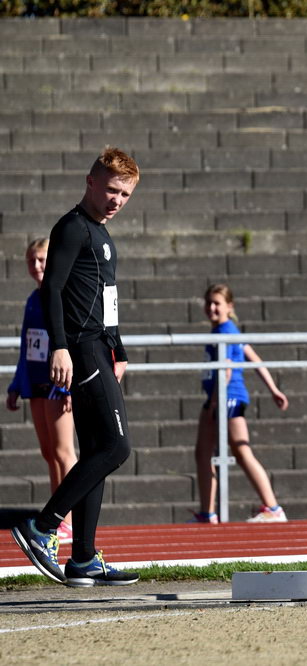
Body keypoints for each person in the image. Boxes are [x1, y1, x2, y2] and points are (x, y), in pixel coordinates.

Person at [9, 147, 141, 587]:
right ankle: (43, 527)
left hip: (99, 350)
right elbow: (52, 292)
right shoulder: (71, 228)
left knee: (99, 450)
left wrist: (117, 349)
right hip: (80, 351)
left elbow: (106, 299)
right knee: (117, 448)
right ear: (90, 182)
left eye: (124, 194)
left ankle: (83, 557)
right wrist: (59, 349)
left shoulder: (102, 234)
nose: (116, 200)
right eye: (110, 189)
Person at [191, 284, 290, 524]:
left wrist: (216, 401)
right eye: (209, 303)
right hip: (218, 397)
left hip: (227, 397)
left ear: (229, 307)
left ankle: (273, 508)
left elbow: (226, 369)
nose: (212, 308)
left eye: (217, 303)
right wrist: (274, 390)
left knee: (241, 451)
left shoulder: (225, 332)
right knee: (203, 453)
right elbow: (254, 359)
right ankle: (208, 513)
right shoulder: (227, 331)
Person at [6, 238, 77, 544]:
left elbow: (74, 340)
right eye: (32, 261)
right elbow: (27, 347)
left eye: (42, 260)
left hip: (59, 384)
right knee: (49, 453)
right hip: (35, 384)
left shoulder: (62, 296)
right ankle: (55, 513)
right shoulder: (33, 300)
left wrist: (72, 384)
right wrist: (15, 384)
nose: (36, 266)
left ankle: (69, 519)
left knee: (64, 452)